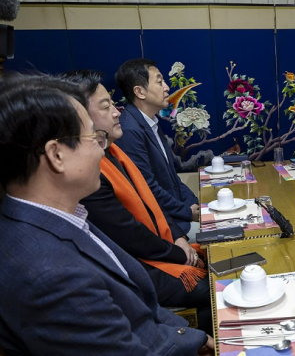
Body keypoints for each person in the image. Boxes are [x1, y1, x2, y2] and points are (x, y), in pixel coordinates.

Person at [0, 74, 214, 355]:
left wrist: (196, 339)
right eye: (94, 137)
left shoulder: (66, 216)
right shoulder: (53, 276)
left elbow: (143, 309)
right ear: (57, 155)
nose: (103, 150)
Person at [59, 70, 211, 333]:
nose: (118, 112)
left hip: (157, 247)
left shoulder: (115, 151)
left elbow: (151, 201)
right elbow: (128, 233)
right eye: (106, 107)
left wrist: (178, 237)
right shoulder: (90, 170)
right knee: (214, 287)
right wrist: (178, 252)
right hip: (138, 265)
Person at [115, 58, 199, 235]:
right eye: (160, 82)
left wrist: (193, 204)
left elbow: (172, 177)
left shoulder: (149, 121)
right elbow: (147, 188)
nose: (167, 87)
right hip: (163, 225)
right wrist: (187, 212)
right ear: (140, 92)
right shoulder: (130, 130)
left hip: (177, 216)